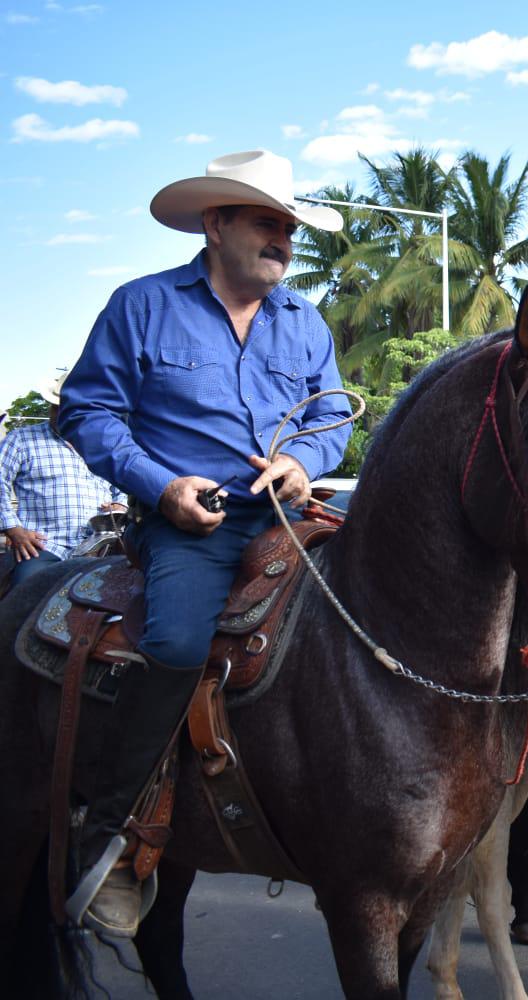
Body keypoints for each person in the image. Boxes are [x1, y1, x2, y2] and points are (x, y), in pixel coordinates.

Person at [57, 150, 351, 937]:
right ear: (217, 223)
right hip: (191, 523)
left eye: (290, 227)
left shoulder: (304, 319)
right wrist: (163, 488)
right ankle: (111, 835)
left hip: (292, 517)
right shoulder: (143, 305)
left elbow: (332, 419)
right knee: (180, 639)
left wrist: (303, 460)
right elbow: (86, 412)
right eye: (267, 222)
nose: (283, 239)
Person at [0, 374, 126, 586]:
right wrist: (13, 529)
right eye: (56, 407)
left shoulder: (101, 443)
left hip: (102, 545)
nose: (60, 414)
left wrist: (120, 503)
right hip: (44, 548)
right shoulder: (20, 439)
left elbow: (119, 483)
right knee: (26, 595)